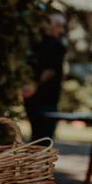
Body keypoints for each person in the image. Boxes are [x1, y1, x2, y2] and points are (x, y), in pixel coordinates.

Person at [23, 13, 67, 142]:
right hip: (45, 97)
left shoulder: (35, 43)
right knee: (44, 138)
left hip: (35, 96)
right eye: (60, 27)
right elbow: (50, 70)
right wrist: (34, 86)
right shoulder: (56, 45)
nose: (62, 31)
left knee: (37, 136)